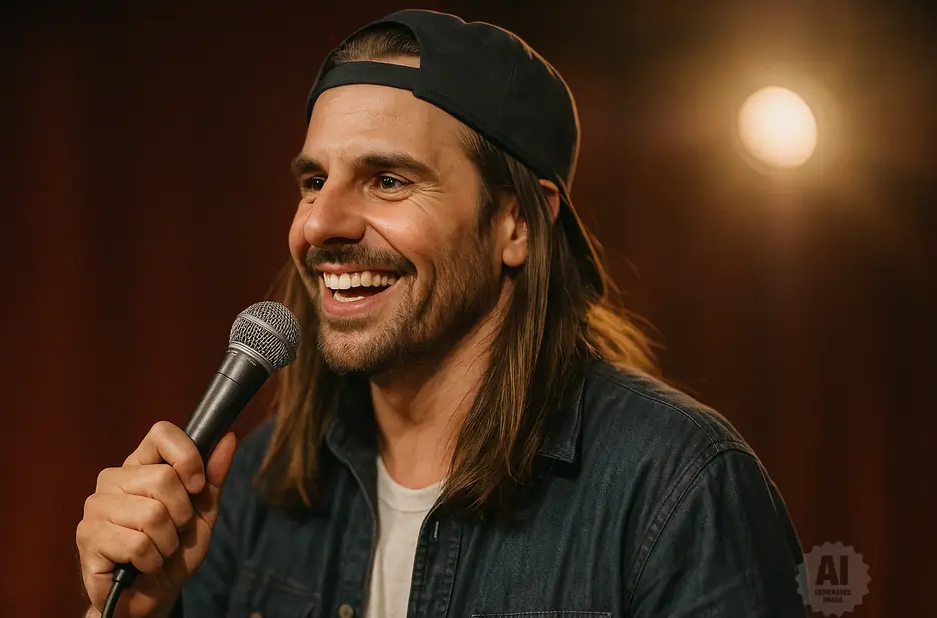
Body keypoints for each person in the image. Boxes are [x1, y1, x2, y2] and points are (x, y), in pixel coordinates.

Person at [76, 9, 809, 618]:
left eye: (388, 179)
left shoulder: (676, 487)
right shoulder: (256, 482)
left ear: (515, 223)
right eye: (312, 180)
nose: (319, 223)